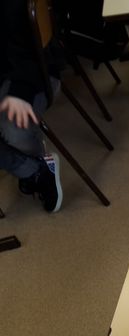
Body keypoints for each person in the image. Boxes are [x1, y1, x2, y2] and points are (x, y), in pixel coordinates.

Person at [1, 0, 62, 213]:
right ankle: (31, 170)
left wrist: (20, 92)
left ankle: (35, 166)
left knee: (14, 131)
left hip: (35, 74)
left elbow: (33, 51)